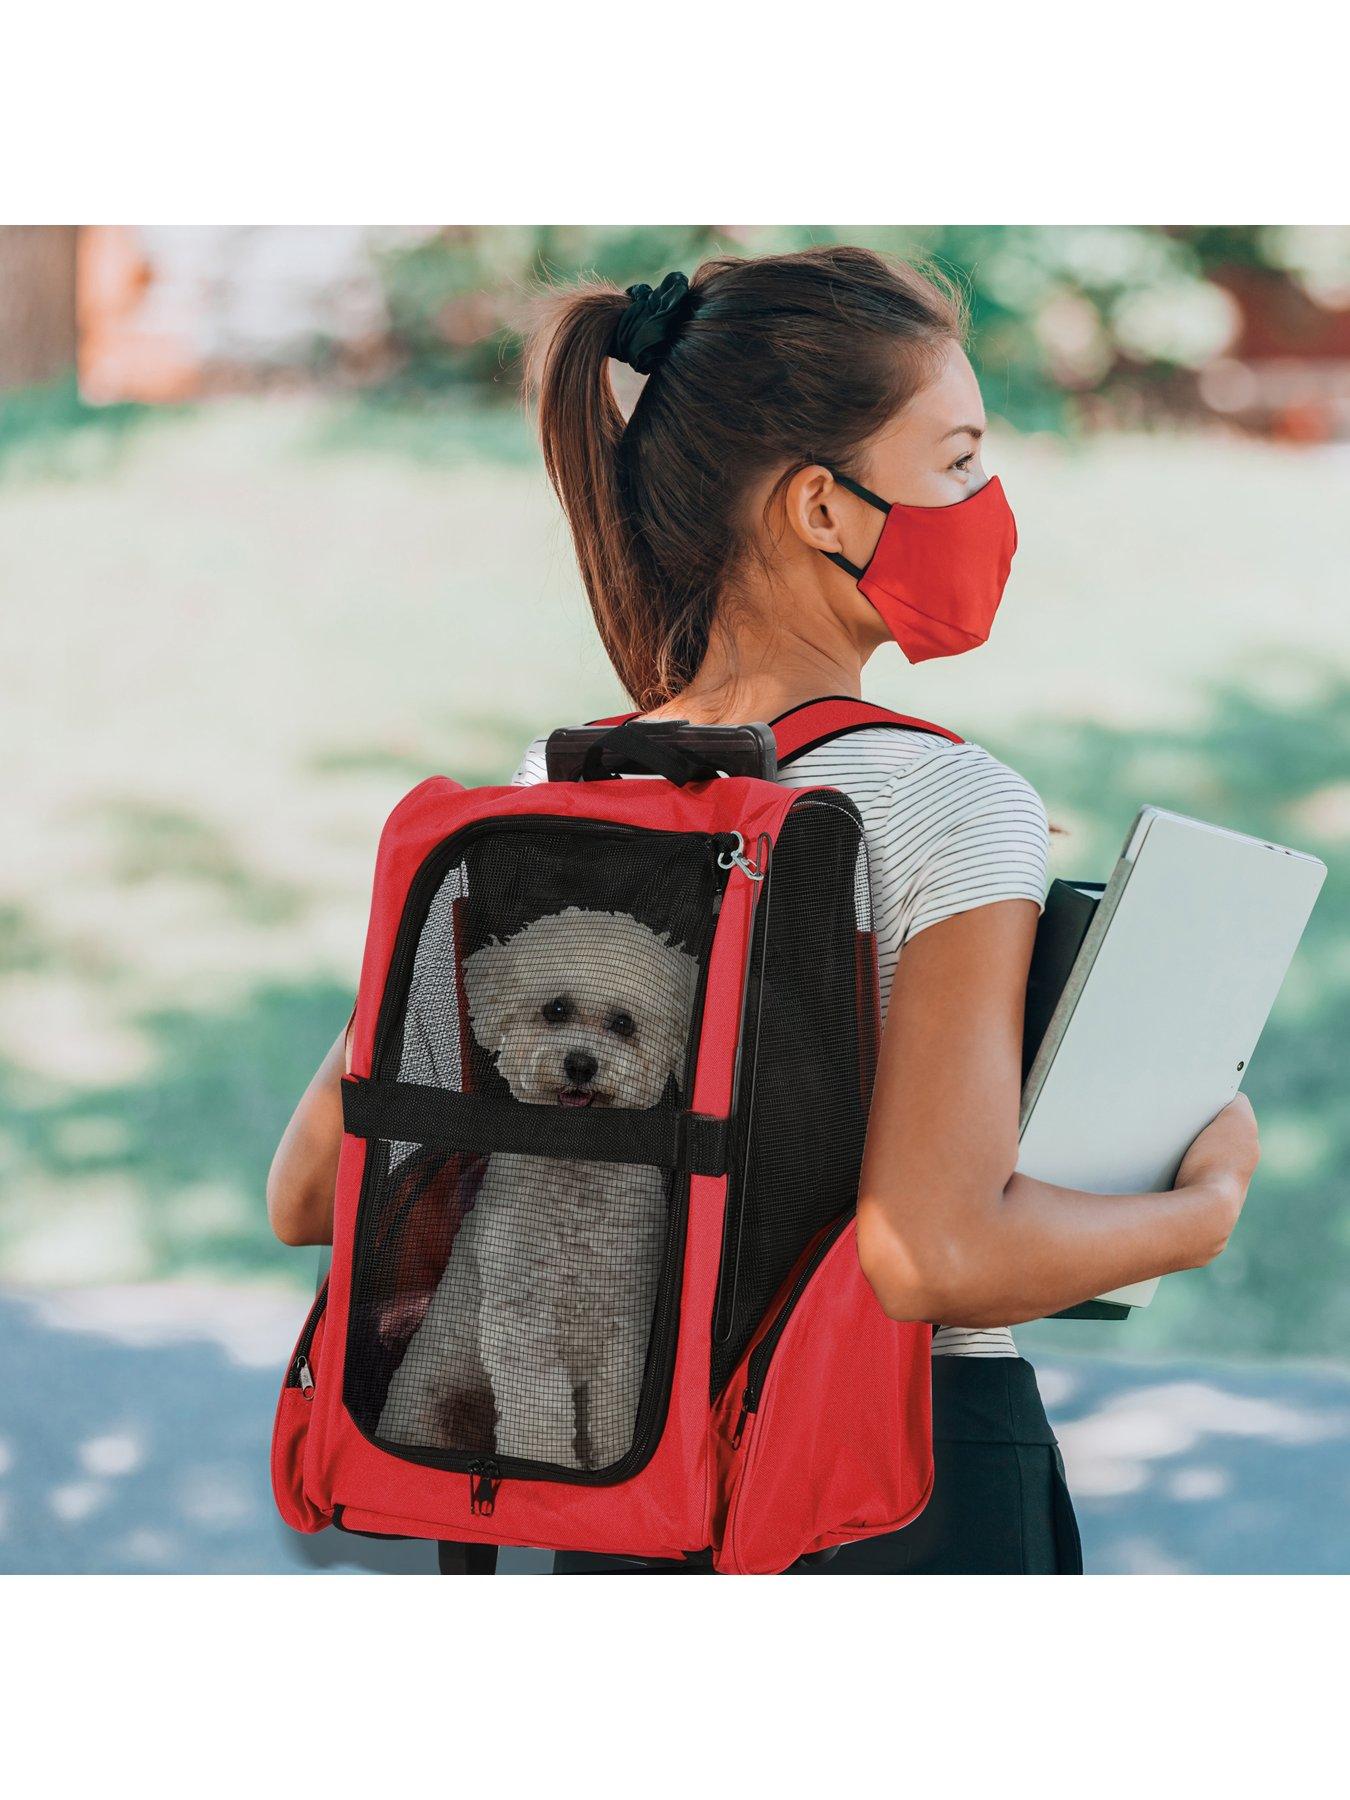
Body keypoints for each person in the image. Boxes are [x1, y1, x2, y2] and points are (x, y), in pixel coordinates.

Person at [267, 245, 1261, 1575]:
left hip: (625, 1472)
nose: (988, 500)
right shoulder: (948, 801)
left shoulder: (547, 792)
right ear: (819, 508)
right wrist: (1200, 1205)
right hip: (887, 1474)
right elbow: (934, 1255)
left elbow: (310, 1192)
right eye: (957, 458)